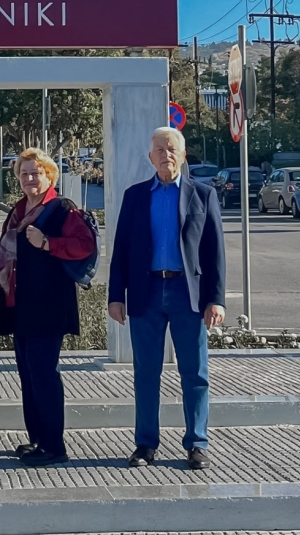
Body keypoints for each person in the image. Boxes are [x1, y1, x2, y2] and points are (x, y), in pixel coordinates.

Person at [108, 126, 226, 471]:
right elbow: (121, 249)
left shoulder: (203, 195)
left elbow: (215, 251)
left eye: (172, 148)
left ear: (183, 155)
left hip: (188, 295)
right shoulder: (135, 196)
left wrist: (216, 299)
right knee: (146, 373)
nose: (166, 154)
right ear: (150, 157)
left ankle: (197, 443)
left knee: (195, 373)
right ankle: (145, 444)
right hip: (145, 294)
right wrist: (116, 296)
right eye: (159, 149)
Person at [0, 148, 95, 467]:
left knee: (43, 374)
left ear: (49, 176)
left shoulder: (62, 208)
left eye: (35, 173)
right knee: (28, 374)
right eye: (23, 174)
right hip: (20, 305)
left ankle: (54, 446)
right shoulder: (18, 210)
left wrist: (49, 243)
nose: (29, 179)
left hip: (49, 306)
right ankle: (38, 438)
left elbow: (85, 245)